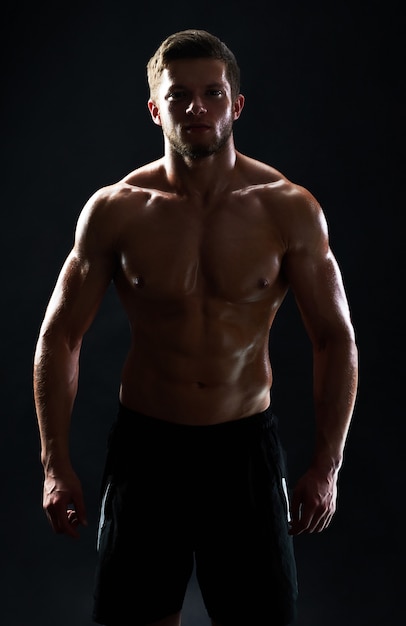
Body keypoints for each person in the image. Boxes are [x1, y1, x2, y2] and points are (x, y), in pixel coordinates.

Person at [33, 28, 358, 626]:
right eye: (179, 96)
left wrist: (327, 465)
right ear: (156, 108)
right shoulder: (117, 210)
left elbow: (334, 337)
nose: (196, 108)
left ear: (235, 105)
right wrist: (56, 466)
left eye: (212, 93)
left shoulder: (286, 208)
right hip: (147, 452)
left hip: (243, 450)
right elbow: (61, 336)